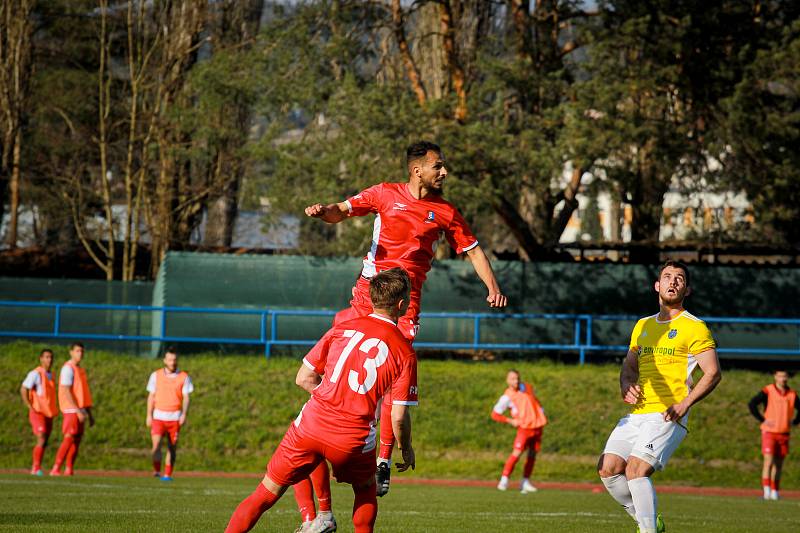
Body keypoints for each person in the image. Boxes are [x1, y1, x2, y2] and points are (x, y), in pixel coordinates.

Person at [303, 140, 507, 507]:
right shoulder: (384, 194)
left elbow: (473, 249)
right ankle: (330, 421)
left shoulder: (445, 211)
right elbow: (343, 210)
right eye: (438, 166)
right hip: (366, 293)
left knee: (391, 379)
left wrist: (492, 286)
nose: (444, 173)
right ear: (418, 170)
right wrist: (323, 211)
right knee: (331, 365)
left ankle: (381, 459)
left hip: (403, 304)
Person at [224, 268, 419, 533]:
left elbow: (303, 378)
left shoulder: (342, 327)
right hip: (352, 436)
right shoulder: (404, 351)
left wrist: (330, 399)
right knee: (365, 491)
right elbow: (397, 416)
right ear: (402, 304)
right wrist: (405, 448)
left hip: (311, 425)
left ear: (372, 299)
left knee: (265, 493)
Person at [597, 261, 721, 533]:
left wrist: (685, 404)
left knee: (636, 470)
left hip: (668, 413)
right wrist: (626, 382)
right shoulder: (643, 325)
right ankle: (649, 521)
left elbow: (713, 373)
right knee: (608, 469)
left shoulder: (695, 327)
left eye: (679, 278)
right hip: (638, 413)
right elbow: (630, 362)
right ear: (657, 285)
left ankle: (648, 530)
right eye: (667, 277)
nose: (673, 282)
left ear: (687, 290)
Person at [491, 369, 547, 493]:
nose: (516, 381)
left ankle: (525, 481)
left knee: (532, 455)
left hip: (537, 426)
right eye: (513, 379)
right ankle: (504, 479)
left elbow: (534, 400)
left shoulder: (527, 387)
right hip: (524, 428)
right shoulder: (507, 397)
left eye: (517, 378)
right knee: (516, 453)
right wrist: (511, 421)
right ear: (507, 381)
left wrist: (541, 411)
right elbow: (495, 414)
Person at [748, 369, 800, 500]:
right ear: (775, 377)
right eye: (780, 376)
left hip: (784, 433)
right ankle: (766, 492)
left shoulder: (792, 394)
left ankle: (775, 491)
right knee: (768, 462)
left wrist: (795, 422)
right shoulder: (768, 390)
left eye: (785, 376)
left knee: (779, 464)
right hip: (769, 432)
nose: (783, 379)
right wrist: (763, 419)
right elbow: (752, 404)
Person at [146, 346, 194, 481]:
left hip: (175, 417)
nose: (172, 362)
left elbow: (186, 397)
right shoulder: (156, 375)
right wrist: (149, 415)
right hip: (158, 417)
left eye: (175, 359)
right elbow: (151, 396)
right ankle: (156, 472)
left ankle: (167, 475)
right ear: (164, 360)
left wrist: (184, 414)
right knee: (156, 446)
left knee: (172, 447)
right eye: (170, 359)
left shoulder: (184, 377)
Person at [50, 342, 94, 476]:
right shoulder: (68, 369)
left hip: (81, 409)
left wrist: (89, 414)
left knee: (77, 439)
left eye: (82, 351)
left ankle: (69, 469)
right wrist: (77, 410)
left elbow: (82, 393)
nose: (80, 354)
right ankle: (56, 468)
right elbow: (66, 391)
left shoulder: (80, 369)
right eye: (77, 351)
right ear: (71, 352)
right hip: (71, 410)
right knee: (69, 437)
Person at [20, 349, 57, 475]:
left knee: (45, 440)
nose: (49, 360)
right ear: (41, 358)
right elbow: (24, 388)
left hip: (48, 413)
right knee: (41, 437)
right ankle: (35, 468)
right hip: (37, 411)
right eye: (46, 357)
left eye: (51, 357)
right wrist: (29, 406)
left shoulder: (52, 375)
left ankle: (38, 466)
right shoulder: (35, 373)